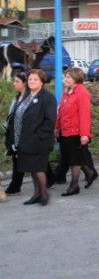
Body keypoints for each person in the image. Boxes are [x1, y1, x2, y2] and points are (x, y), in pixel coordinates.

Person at [14, 69, 57, 206]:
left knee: (38, 168)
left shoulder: (47, 97)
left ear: (42, 82)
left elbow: (50, 121)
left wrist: (38, 136)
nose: (32, 82)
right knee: (32, 168)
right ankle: (36, 194)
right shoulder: (27, 95)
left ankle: (44, 194)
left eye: (35, 79)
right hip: (26, 139)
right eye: (30, 79)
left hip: (39, 140)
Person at [54, 68, 93, 197]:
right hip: (65, 130)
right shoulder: (67, 91)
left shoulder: (81, 92)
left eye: (68, 77)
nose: (65, 79)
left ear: (76, 78)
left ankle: (74, 186)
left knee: (74, 160)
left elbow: (84, 115)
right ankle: (89, 173)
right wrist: (57, 126)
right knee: (72, 157)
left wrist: (84, 134)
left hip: (75, 131)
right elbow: (61, 110)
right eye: (65, 77)